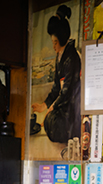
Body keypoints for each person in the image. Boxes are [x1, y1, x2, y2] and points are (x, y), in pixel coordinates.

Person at [31, 4, 81, 144]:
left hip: (71, 107)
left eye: (55, 42)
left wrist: (51, 108)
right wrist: (44, 106)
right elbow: (55, 88)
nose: (53, 46)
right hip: (62, 106)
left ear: (62, 39)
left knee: (54, 124)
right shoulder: (59, 57)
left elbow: (67, 91)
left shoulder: (72, 58)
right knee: (50, 123)